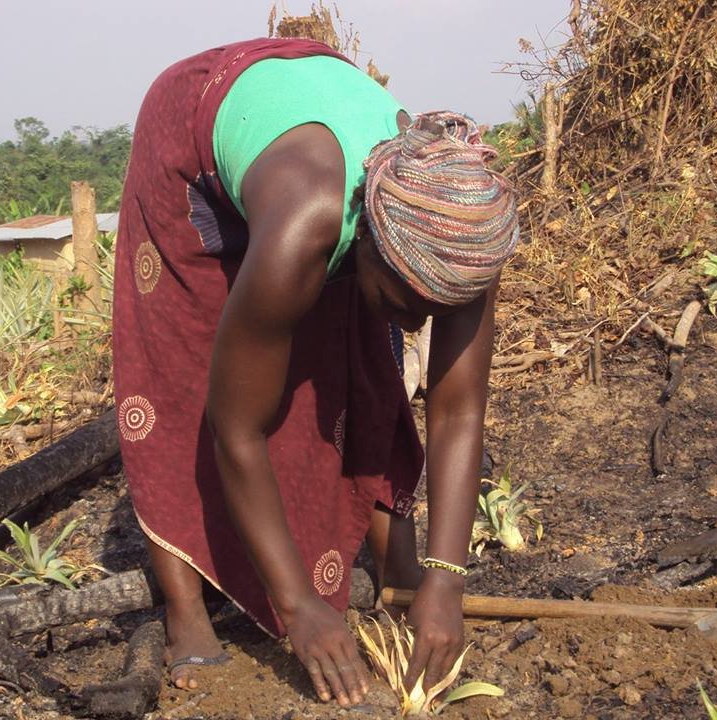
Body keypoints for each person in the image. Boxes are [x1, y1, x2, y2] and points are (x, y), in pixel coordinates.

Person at [111, 37, 518, 707]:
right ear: (368, 244)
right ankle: (185, 609)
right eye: (406, 305)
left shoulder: (463, 231)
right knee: (191, 370)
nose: (419, 327)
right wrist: (298, 605)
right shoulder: (308, 224)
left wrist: (448, 579)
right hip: (192, 131)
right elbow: (235, 428)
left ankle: (402, 568)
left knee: (365, 362)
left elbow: (458, 411)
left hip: (312, 111)